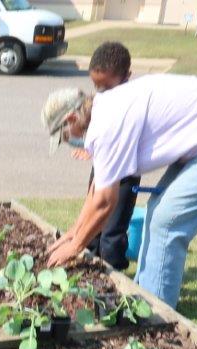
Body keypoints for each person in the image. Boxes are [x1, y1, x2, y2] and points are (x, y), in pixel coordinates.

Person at [42, 73, 197, 308]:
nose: (69, 140)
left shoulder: (107, 125)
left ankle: (155, 313)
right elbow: (97, 189)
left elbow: (105, 202)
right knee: (157, 209)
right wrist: (74, 231)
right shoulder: (106, 109)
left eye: (64, 135)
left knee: (167, 221)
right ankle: (144, 297)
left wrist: (75, 246)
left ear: (72, 118)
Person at [75, 41, 139, 271]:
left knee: (111, 234)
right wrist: (90, 148)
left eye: (107, 87)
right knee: (93, 227)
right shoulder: (103, 101)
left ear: (126, 77)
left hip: (125, 172)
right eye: (97, 86)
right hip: (103, 166)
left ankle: (114, 280)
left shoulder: (132, 103)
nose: (101, 93)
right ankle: (88, 270)